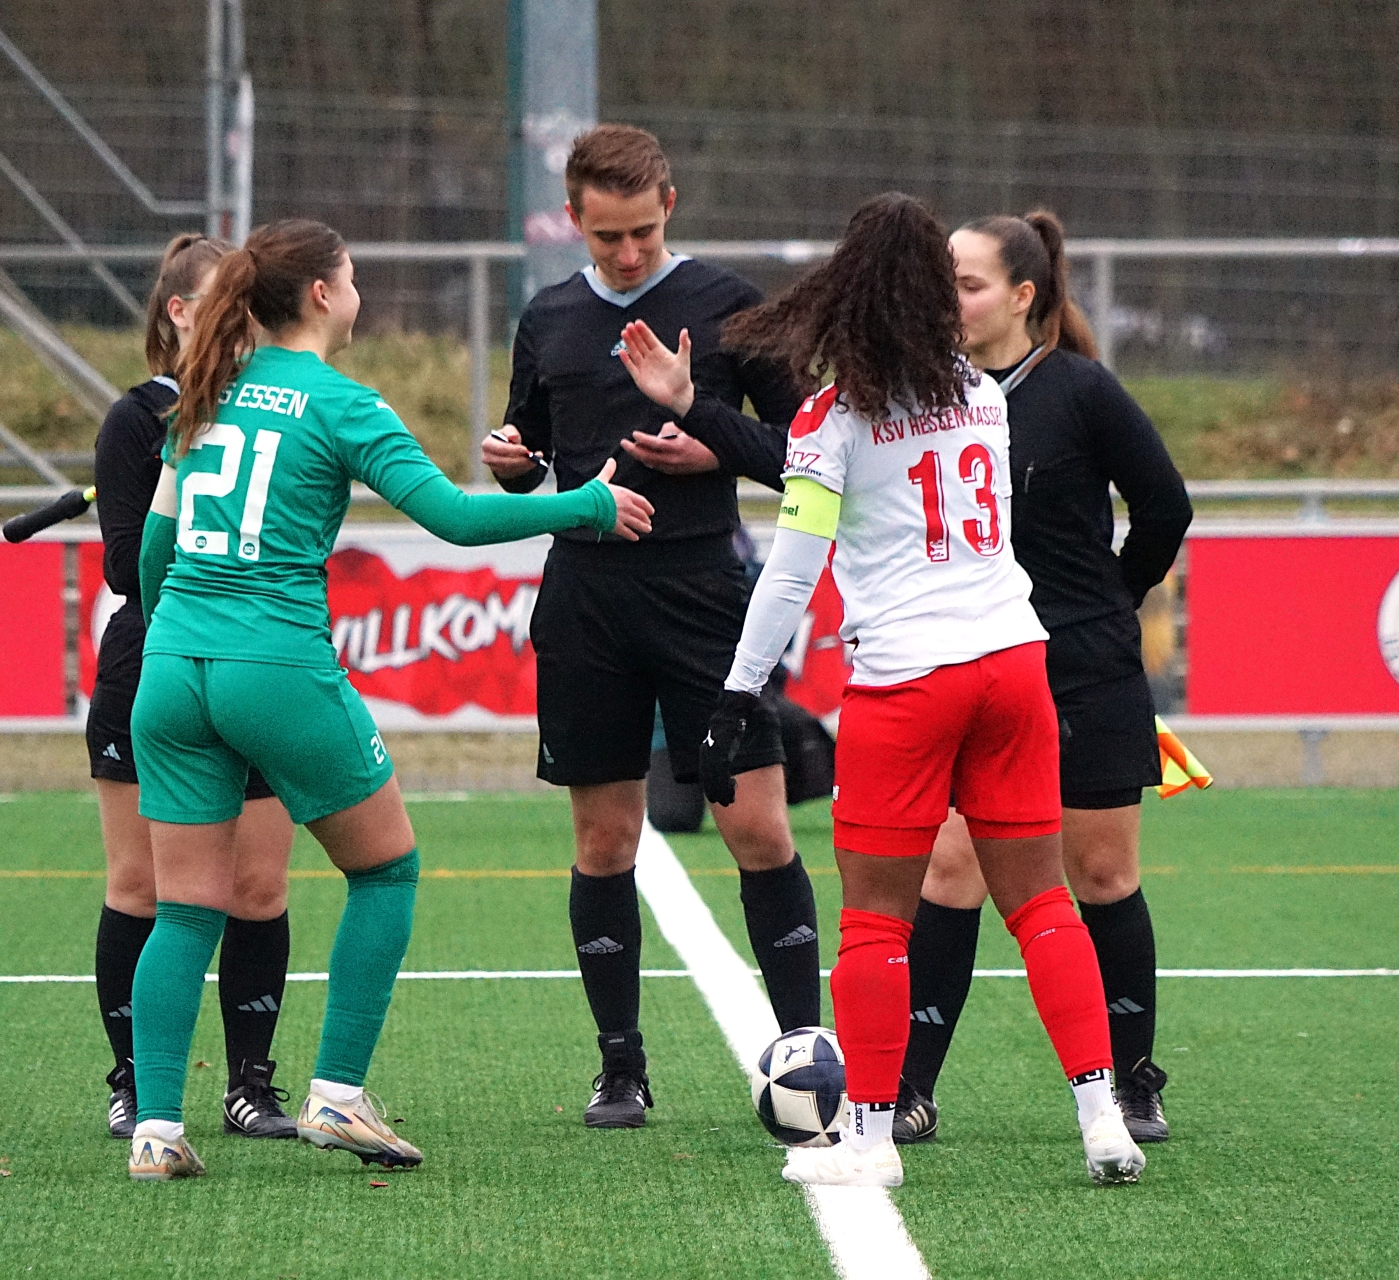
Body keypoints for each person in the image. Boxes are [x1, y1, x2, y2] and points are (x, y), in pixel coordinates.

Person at [123, 218, 653, 1181]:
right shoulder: (341, 402)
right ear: (323, 295)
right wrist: (587, 505)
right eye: (354, 277)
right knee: (387, 869)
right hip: (273, 664)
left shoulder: (206, 390)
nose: (359, 293)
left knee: (186, 910)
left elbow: (157, 550)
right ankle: (335, 1094)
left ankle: (156, 1129)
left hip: (170, 667)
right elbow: (452, 517)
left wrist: (177, 640)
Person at [698, 192, 1144, 1189]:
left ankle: (868, 1141)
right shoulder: (981, 391)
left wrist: (737, 692)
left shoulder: (833, 417)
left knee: (874, 921)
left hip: (909, 678)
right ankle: (1102, 1118)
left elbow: (791, 572)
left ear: (846, 289)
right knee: (1044, 903)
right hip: (1013, 661)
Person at [481, 124, 823, 1129]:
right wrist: (513, 463)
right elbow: (532, 453)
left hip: (706, 593)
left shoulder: (733, 306)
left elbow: (805, 453)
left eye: (642, 231)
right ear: (573, 221)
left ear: (669, 203)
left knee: (756, 825)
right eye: (606, 237)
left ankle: (805, 1053)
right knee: (604, 837)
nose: (628, 253)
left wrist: (712, 447)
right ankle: (621, 1066)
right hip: (587, 601)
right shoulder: (548, 316)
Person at [892, 212, 1192, 1148]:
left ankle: (1133, 1082)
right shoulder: (924, 395)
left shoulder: (1080, 391)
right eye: (944, 283)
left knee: (1100, 873)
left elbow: (1165, 505)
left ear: (1023, 296)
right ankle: (909, 1087)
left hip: (1083, 670)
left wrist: (1110, 599)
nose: (950, 301)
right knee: (952, 867)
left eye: (969, 284)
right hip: (974, 667)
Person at [87, 232, 300, 1142]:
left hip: (259, 667)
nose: (244, 321)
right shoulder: (137, 420)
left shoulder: (276, 412)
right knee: (142, 887)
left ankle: (250, 1083)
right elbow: (127, 570)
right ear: (179, 312)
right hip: (156, 668)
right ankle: (134, 1079)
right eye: (225, 302)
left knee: (258, 889)